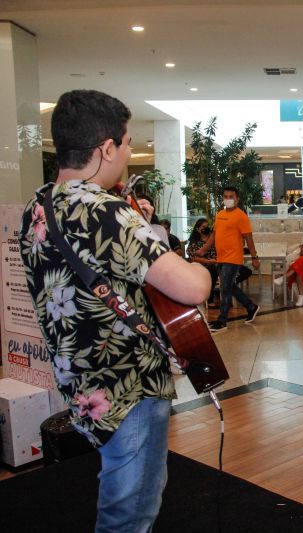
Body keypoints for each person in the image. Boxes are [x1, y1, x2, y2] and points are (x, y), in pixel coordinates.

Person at [19, 90, 211, 532]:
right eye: (126, 144)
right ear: (106, 148)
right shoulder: (105, 211)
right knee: (130, 511)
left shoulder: (38, 206)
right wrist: (196, 261)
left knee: (119, 485)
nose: (127, 153)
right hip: (127, 386)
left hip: (80, 380)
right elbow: (192, 287)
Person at [196, 186, 261, 332]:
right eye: (226, 196)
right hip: (221, 257)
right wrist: (203, 250)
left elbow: (248, 238)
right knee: (230, 286)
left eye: (231, 197)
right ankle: (251, 307)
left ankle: (222, 321)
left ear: (237, 199)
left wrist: (254, 256)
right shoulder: (219, 215)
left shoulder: (241, 216)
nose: (228, 199)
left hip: (233, 258)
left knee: (225, 288)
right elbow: (213, 235)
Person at [187, 217, 219, 306]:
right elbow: (193, 257)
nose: (206, 228)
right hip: (202, 266)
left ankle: (220, 290)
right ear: (198, 229)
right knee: (212, 271)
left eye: (207, 226)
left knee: (243, 272)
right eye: (203, 227)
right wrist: (207, 261)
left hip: (217, 263)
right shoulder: (194, 242)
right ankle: (210, 298)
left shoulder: (214, 239)